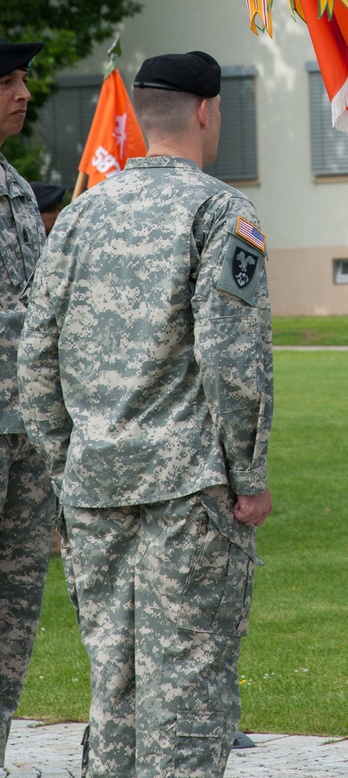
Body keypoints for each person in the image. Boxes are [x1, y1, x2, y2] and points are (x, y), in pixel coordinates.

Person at [19, 50, 273, 778]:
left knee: (116, 688)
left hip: (96, 488)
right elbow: (232, 359)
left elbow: (36, 359)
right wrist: (247, 472)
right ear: (205, 111)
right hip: (187, 490)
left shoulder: (79, 213)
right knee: (187, 693)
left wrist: (70, 464)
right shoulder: (221, 211)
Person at [0, 38, 57, 770]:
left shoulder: (15, 187)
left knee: (14, 615)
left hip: (25, 436)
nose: (22, 92)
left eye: (21, 80)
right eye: (7, 80)